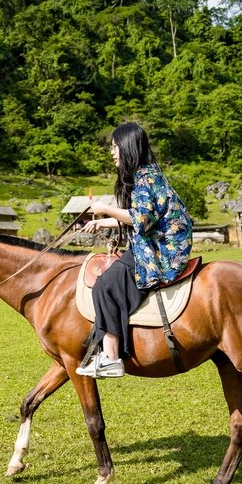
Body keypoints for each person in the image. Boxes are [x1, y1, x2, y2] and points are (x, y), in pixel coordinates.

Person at [75, 122, 192, 379]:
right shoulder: (147, 174)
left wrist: (106, 208)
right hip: (159, 243)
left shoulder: (145, 178)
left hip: (162, 251)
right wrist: (101, 222)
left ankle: (112, 357)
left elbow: (141, 219)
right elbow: (138, 217)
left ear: (128, 147)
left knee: (105, 284)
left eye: (115, 147)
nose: (112, 152)